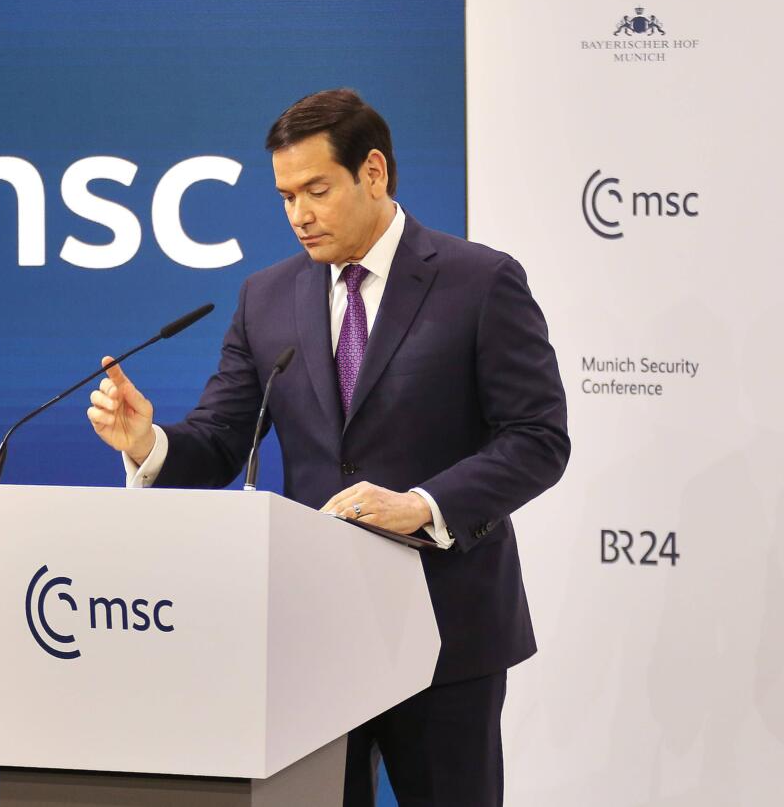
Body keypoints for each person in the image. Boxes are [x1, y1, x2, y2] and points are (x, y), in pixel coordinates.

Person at [86, 88, 569, 806]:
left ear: (373, 172)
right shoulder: (265, 298)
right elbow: (221, 438)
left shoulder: (480, 281)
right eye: (286, 197)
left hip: (446, 629)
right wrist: (148, 444)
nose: (299, 215)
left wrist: (423, 505)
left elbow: (537, 438)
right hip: (313, 638)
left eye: (316, 190)